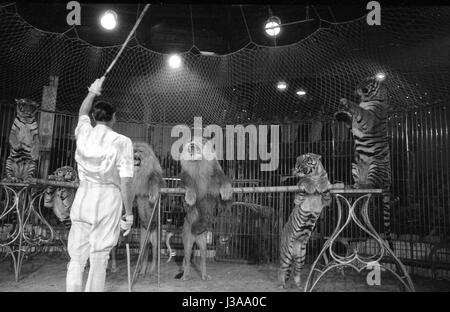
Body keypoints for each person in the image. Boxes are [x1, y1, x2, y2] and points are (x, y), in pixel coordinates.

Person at [66, 77, 135, 292]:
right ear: (113, 118)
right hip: (107, 200)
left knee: (76, 258)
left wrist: (92, 92)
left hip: (82, 198)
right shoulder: (122, 142)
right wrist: (129, 212)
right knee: (99, 259)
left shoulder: (84, 132)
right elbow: (126, 182)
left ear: (95, 117)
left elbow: (81, 113)